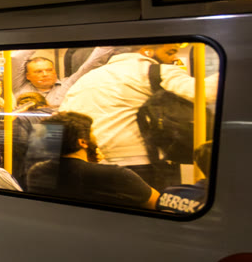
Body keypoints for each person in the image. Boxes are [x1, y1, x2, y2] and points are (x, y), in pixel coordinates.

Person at [60, 43, 216, 188]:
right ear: (147, 50)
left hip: (93, 164)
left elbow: (64, 117)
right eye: (170, 52)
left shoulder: (86, 79)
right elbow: (204, 92)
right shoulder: (153, 70)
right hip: (142, 163)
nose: (174, 58)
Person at [24, 111, 158, 209]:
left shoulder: (37, 172)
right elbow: (156, 203)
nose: (94, 137)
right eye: (91, 133)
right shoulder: (116, 174)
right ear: (83, 142)